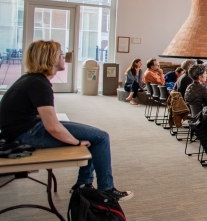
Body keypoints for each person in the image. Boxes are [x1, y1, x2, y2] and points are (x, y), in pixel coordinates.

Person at [0, 40, 132, 201]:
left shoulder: (33, 80)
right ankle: (106, 189)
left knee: (93, 136)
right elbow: (52, 127)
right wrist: (76, 142)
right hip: (25, 134)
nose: (64, 58)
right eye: (61, 55)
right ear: (51, 59)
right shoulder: (39, 84)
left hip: (23, 129)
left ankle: (84, 184)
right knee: (100, 137)